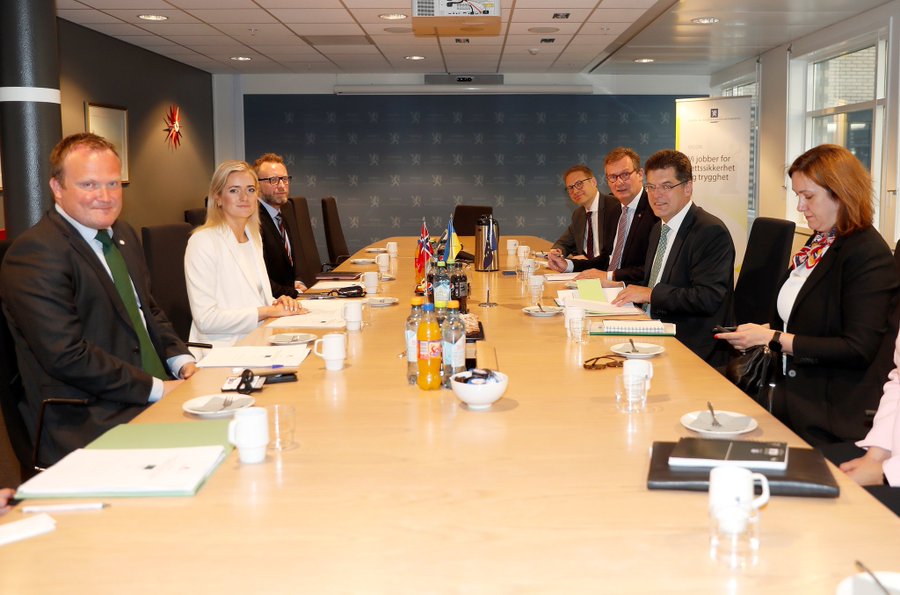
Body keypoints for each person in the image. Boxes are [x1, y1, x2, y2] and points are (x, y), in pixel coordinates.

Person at [0, 133, 196, 466]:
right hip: (90, 415)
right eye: (89, 185)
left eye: (112, 184)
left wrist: (182, 362)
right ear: (57, 187)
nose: (105, 197)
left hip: (151, 391)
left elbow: (147, 310)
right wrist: (157, 389)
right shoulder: (37, 253)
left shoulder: (122, 234)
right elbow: (67, 356)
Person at [718, 144, 898, 446]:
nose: (800, 207)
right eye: (797, 196)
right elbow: (807, 319)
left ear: (841, 193)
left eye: (808, 196)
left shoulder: (867, 253)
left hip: (830, 414)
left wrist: (773, 338)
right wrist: (762, 331)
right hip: (791, 396)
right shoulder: (820, 242)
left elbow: (857, 349)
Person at [611, 149, 735, 365]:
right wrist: (621, 288)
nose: (656, 195)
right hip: (651, 327)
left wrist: (651, 295)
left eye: (666, 186)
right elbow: (654, 282)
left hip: (689, 344)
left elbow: (707, 298)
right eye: (651, 187)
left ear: (688, 187)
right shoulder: (658, 229)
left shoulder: (710, 231)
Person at [185, 160, 306, 350]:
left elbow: (257, 298)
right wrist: (268, 311)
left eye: (250, 190)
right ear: (218, 197)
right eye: (234, 190)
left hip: (259, 339)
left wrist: (278, 302)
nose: (244, 197)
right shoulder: (203, 241)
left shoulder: (253, 236)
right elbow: (206, 320)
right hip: (223, 349)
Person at [547, 148, 658, 284]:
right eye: (612, 177)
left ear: (640, 174)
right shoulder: (615, 211)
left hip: (631, 290)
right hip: (608, 286)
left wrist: (610, 276)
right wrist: (568, 265)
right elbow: (606, 260)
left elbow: (653, 269)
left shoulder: (655, 211)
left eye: (625, 175)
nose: (619, 182)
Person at [253, 153, 315, 296]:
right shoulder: (253, 221)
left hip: (286, 297)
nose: (282, 186)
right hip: (271, 302)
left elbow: (284, 268)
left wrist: (296, 282)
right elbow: (261, 281)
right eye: (273, 180)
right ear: (257, 185)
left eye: (285, 179)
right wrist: (295, 292)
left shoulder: (281, 215)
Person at [550, 165, 620, 260]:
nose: (575, 191)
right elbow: (564, 243)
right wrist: (557, 251)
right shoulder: (578, 214)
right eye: (570, 188)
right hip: (586, 267)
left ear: (593, 182)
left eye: (579, 184)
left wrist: (590, 262)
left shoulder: (615, 206)